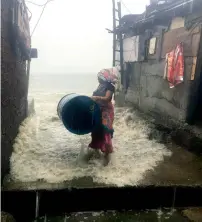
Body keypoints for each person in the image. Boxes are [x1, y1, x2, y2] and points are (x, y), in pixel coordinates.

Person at [88, 68, 118, 165]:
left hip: (106, 112)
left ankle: (108, 156)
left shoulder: (110, 86)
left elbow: (107, 98)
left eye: (100, 77)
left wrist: (96, 97)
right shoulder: (100, 85)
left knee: (105, 130)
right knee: (96, 130)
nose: (98, 79)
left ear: (104, 77)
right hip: (98, 110)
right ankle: (97, 151)